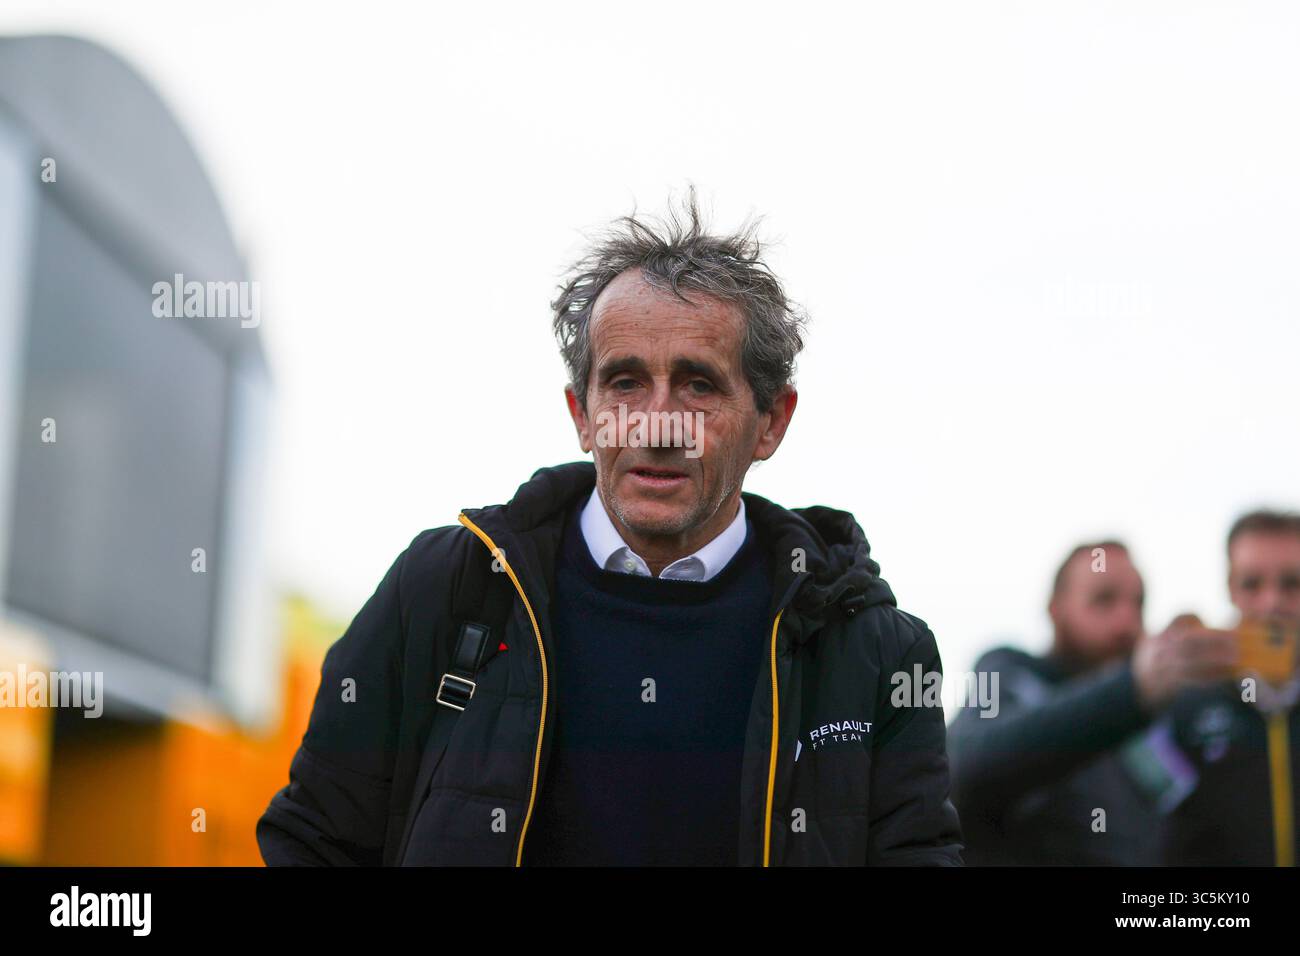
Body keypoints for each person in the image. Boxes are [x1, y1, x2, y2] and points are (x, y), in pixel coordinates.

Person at [256, 188, 963, 866]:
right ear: (581, 414)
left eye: (698, 384)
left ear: (771, 422)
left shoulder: (872, 651)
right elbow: (314, 838)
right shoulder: (446, 590)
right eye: (625, 382)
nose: (658, 425)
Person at [948, 540, 1236, 865]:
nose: (1127, 623)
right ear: (1056, 609)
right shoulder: (1010, 671)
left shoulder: (1154, 718)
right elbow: (968, 764)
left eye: (1138, 604)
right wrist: (1132, 689)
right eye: (1104, 600)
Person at [1160, 509, 1300, 865]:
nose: (1272, 603)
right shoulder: (1182, 704)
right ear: (1230, 589)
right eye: (1252, 584)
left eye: (1291, 583)